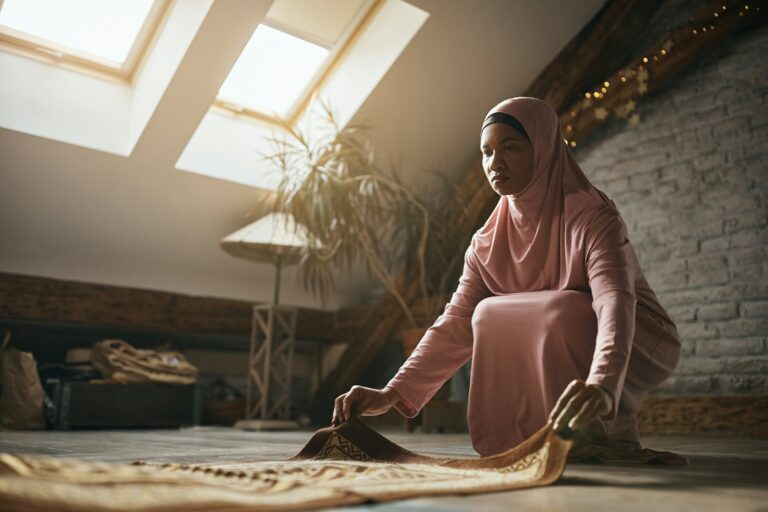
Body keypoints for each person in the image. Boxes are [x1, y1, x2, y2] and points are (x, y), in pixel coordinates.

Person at [331, 97, 682, 461]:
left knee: (563, 308)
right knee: (486, 313)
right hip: (564, 334)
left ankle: (599, 433)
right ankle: (523, 439)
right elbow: (455, 322)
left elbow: (614, 301)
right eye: (486, 152)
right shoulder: (486, 242)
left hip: (640, 338)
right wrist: (390, 392)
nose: (494, 163)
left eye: (510, 148)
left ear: (543, 148)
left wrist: (603, 384)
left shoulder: (592, 217)